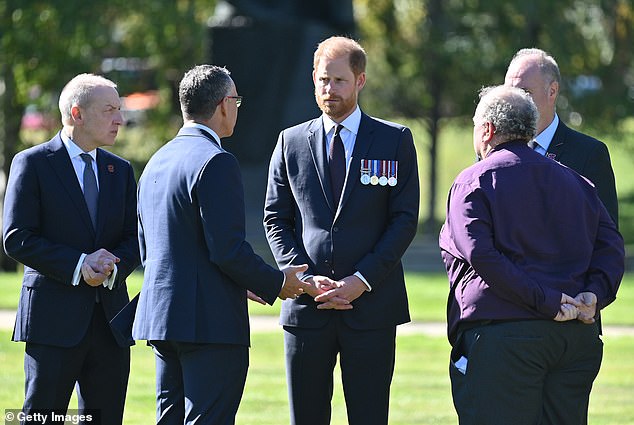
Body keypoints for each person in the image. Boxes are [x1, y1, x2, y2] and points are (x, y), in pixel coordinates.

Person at [132, 64, 311, 425]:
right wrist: (278, 282)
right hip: (208, 324)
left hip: (162, 319)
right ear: (224, 104)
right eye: (237, 99)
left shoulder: (156, 161)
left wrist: (236, 281)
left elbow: (154, 245)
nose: (238, 108)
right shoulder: (216, 161)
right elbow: (226, 249)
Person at [439, 85, 624, 425]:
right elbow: (611, 246)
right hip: (574, 338)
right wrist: (593, 295)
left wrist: (546, 301)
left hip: (505, 336)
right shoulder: (578, 182)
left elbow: (481, 256)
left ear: (487, 130)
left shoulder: (474, 182)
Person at [264, 36, 420, 425]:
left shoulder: (394, 140)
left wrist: (362, 279)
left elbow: (403, 220)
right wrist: (302, 276)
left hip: (371, 307)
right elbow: (275, 217)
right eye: (322, 80)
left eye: (339, 80)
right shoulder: (291, 141)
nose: (329, 90)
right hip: (307, 307)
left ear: (360, 80)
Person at [3, 74, 140, 424]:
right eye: (110, 110)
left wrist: (111, 267)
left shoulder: (120, 170)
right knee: (40, 418)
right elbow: (17, 237)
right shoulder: (32, 163)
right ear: (77, 113)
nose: (120, 119)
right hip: (53, 322)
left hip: (110, 323)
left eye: (120, 110)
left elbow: (134, 239)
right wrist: (80, 264)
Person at [504, 48, 618, 226]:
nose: (513, 102)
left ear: (552, 91)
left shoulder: (589, 154)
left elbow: (607, 240)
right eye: (509, 93)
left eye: (525, 92)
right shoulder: (495, 152)